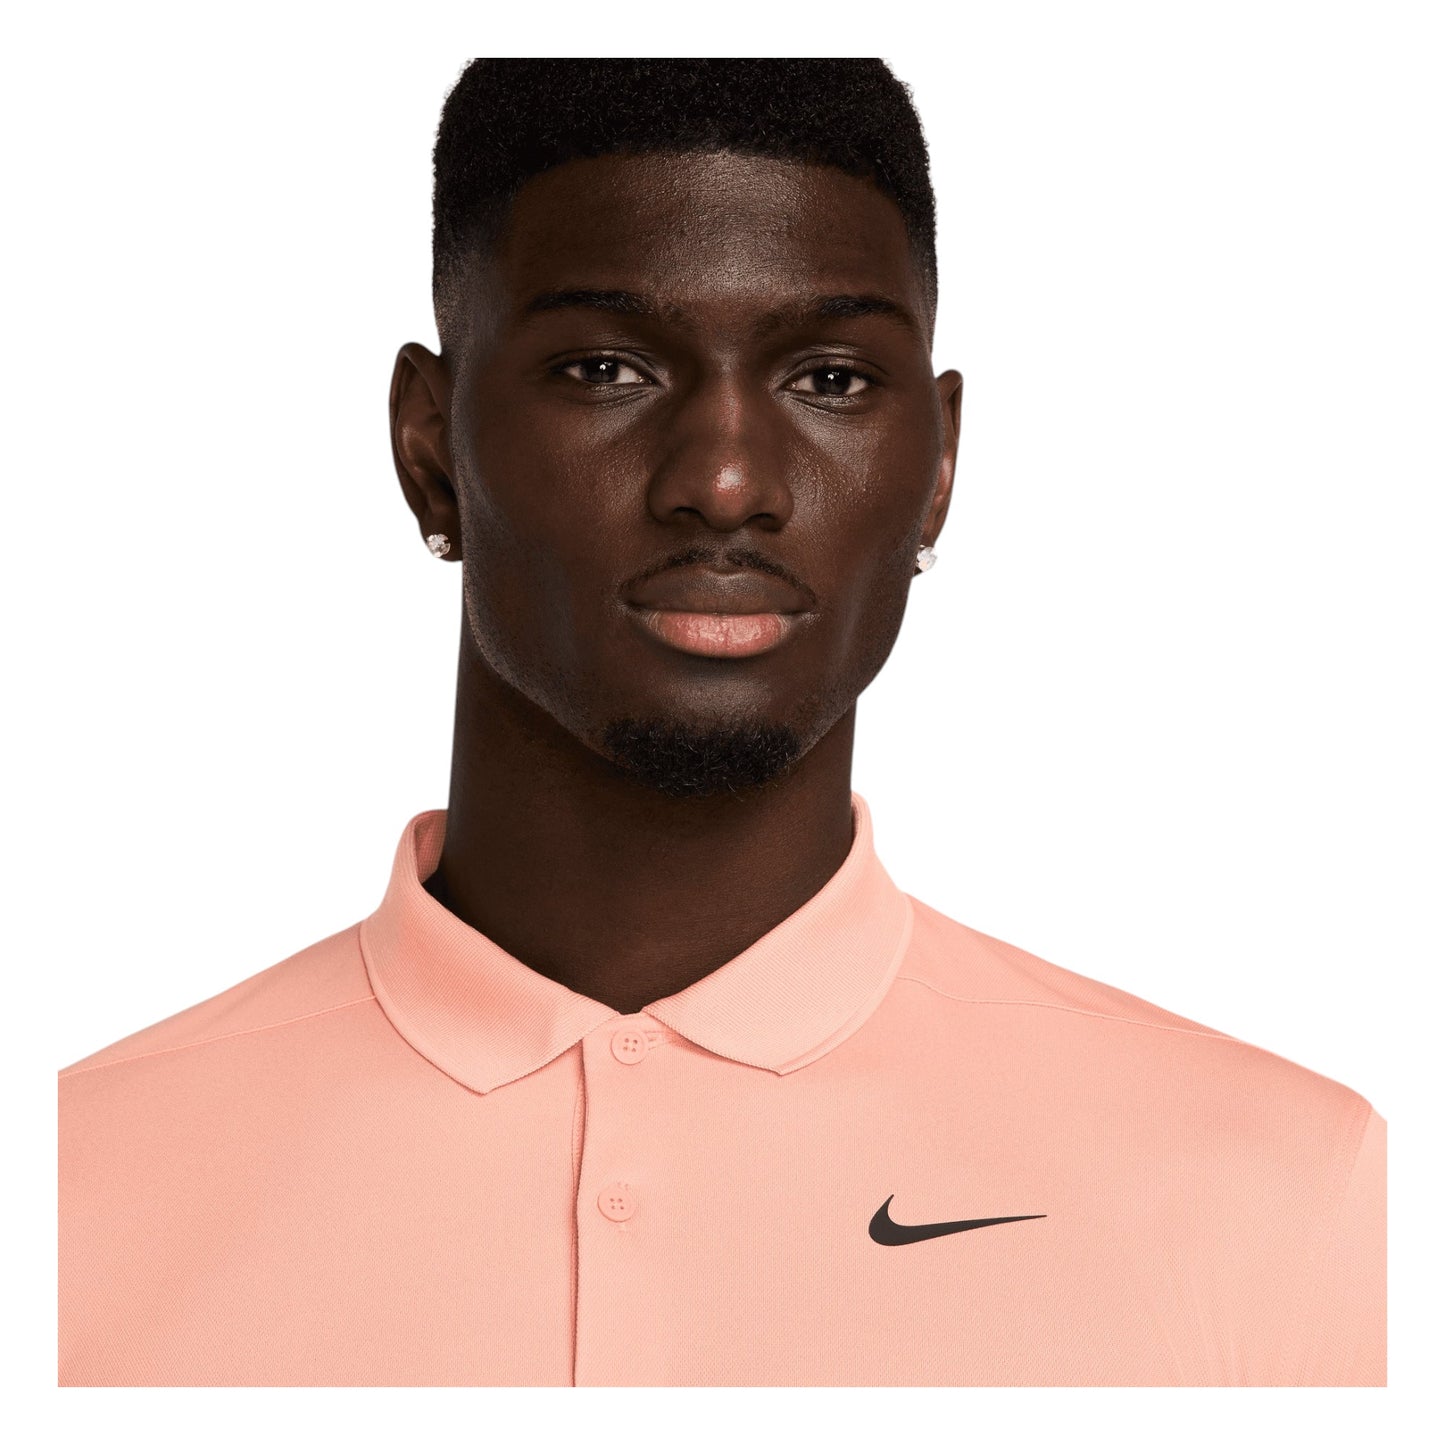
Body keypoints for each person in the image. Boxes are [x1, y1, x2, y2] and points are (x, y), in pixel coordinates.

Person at [57, 56, 1384, 1387]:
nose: (728, 480)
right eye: (605, 368)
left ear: (937, 466)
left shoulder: (1276, 1193)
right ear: (429, 446)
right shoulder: (69, 1194)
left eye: (832, 380)